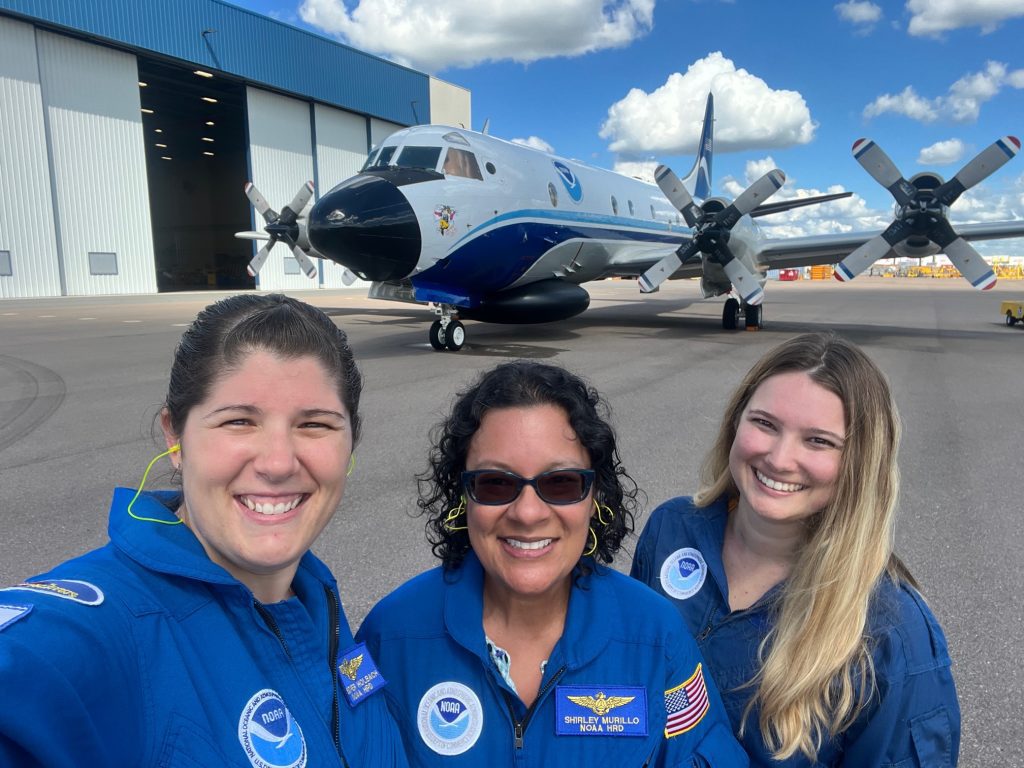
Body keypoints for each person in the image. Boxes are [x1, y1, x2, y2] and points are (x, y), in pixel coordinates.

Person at [0, 294, 407, 768]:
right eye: (238, 421)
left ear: (350, 442)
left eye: (315, 424)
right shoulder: (95, 634)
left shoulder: (317, 602)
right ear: (175, 437)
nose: (278, 462)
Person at [357, 361, 749, 767]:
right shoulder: (387, 637)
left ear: (594, 494)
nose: (528, 513)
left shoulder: (657, 639)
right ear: (464, 495)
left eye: (560, 483)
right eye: (496, 483)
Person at [631, 332, 960, 767]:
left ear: (860, 463)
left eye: (819, 441)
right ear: (736, 421)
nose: (780, 459)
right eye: (764, 423)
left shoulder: (892, 633)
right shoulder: (673, 529)